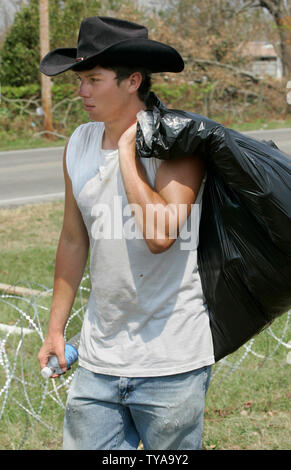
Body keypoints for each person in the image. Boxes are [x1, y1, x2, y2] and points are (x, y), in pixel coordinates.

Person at [37, 16, 214, 451]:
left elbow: (160, 235)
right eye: (80, 80)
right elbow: (74, 238)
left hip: (172, 359)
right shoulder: (77, 142)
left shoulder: (180, 144)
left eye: (93, 80)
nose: (81, 92)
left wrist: (125, 155)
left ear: (132, 80)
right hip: (99, 356)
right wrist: (56, 328)